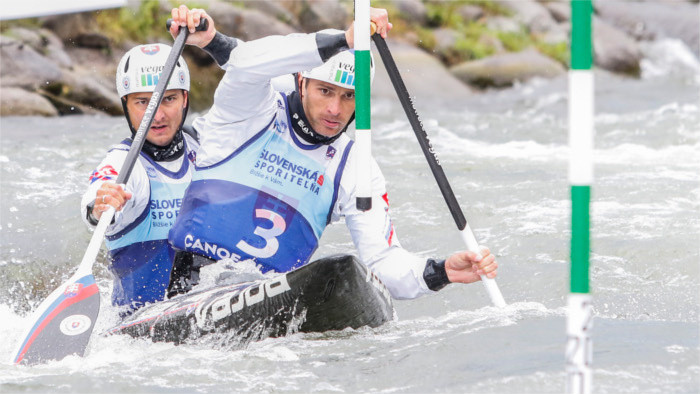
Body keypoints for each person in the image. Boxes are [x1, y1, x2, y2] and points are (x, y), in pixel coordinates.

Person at [166, 5, 498, 300]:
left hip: (274, 301)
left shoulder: (356, 166)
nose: (335, 110)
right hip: (189, 283)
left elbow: (382, 262)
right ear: (301, 82)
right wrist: (344, 39)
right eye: (325, 91)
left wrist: (441, 272)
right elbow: (246, 62)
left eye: (349, 97)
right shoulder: (250, 110)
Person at [80, 43, 199, 314]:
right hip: (142, 332)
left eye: (167, 99)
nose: (156, 115)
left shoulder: (205, 146)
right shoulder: (124, 163)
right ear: (126, 106)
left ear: (185, 99)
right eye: (143, 102)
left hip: (210, 301)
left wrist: (212, 40)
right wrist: (99, 205)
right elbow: (97, 193)